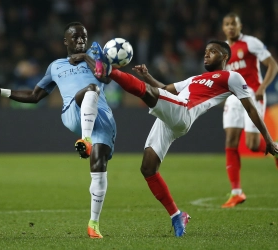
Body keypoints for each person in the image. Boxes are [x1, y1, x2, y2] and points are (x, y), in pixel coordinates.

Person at [92, 40, 278, 237]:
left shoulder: (232, 76)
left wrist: (268, 138)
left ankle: (108, 71)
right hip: (173, 111)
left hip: (184, 111)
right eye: (206, 51)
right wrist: (148, 76)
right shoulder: (195, 78)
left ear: (224, 57)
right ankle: (177, 215)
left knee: (147, 92)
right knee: (148, 168)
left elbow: (250, 106)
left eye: (213, 51)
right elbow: (165, 88)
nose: (206, 54)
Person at [0, 22, 117, 239]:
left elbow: (107, 77)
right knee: (90, 90)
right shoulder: (56, 66)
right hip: (73, 113)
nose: (81, 40)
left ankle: (93, 224)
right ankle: (86, 140)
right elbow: (35, 96)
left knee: (99, 167)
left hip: (103, 119)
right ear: (66, 41)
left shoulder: (95, 54)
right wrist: (0, 91)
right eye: (76, 37)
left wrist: (86, 58)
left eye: (84, 36)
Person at [221, 13, 278, 208]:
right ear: (223, 28)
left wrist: (263, 88)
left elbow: (273, 65)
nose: (230, 28)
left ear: (240, 26)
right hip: (233, 99)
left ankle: (276, 149)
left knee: (253, 144)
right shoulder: (222, 50)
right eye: (227, 24)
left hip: (252, 96)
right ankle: (236, 192)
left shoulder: (251, 43)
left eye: (233, 24)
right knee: (230, 141)